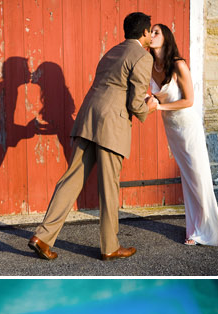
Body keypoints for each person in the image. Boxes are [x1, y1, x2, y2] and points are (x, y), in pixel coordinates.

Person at [28, 12, 154, 262]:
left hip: (88, 117)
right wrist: (150, 107)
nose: (151, 35)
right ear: (144, 33)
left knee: (71, 180)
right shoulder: (142, 56)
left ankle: (42, 237)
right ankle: (110, 247)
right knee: (108, 187)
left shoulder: (111, 52)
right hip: (111, 124)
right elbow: (136, 102)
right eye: (150, 31)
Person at [149, 23, 218, 246]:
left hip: (188, 126)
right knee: (187, 177)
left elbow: (188, 100)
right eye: (150, 32)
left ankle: (208, 230)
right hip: (172, 128)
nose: (151, 35)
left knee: (198, 176)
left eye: (156, 32)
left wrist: (158, 107)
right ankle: (194, 230)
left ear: (166, 38)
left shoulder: (178, 64)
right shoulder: (150, 66)